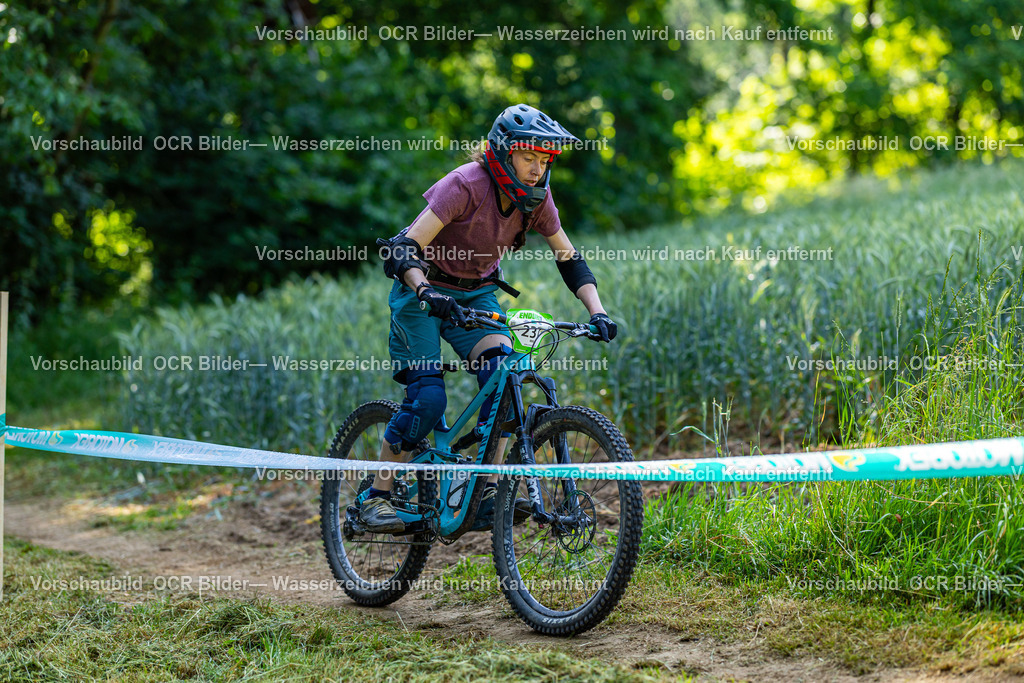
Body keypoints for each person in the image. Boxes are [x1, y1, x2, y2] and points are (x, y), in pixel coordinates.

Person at [361, 103, 618, 533]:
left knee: (505, 380)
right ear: (503, 151)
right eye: (528, 157)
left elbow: (569, 259)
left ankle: (486, 490)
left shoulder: (536, 200)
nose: (537, 169)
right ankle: (377, 497)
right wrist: (425, 290)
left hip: (476, 296)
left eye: (544, 160)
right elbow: (402, 248)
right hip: (420, 292)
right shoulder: (464, 184)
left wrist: (598, 312)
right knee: (427, 402)